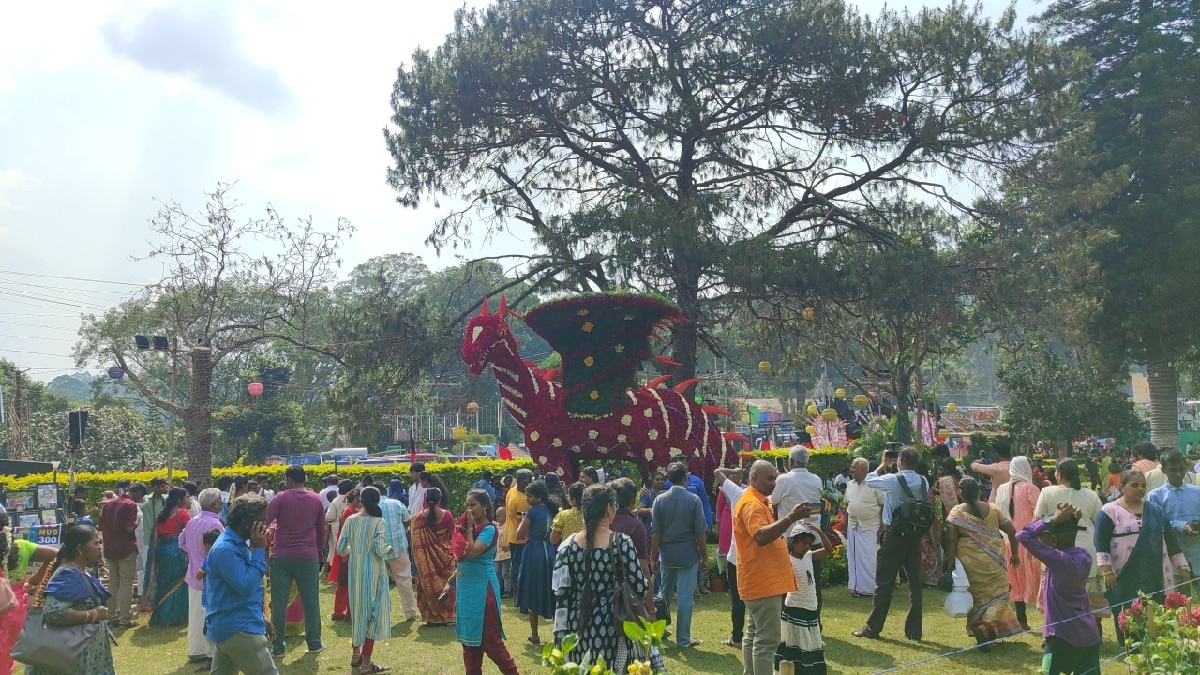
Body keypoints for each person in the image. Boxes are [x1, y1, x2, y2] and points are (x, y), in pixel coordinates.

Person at [553, 483, 664, 673]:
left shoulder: (566, 546)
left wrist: (559, 639)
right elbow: (640, 588)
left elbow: (561, 594)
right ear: (609, 509)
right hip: (616, 625)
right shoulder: (621, 543)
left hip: (577, 626)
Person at [1095, 469, 1191, 645]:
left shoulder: (1155, 510)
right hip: (1124, 573)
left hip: (1156, 571)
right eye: (1134, 485)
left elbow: (1170, 540)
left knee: (1158, 616)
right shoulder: (1109, 511)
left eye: (1143, 485)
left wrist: (1182, 566)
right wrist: (1107, 571)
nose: (1140, 489)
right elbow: (1100, 542)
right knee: (1130, 615)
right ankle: (1133, 651)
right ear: (1122, 487)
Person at [734, 459, 812, 675]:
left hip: (759, 581)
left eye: (775, 478)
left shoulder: (759, 501)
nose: (773, 483)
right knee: (767, 641)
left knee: (753, 634)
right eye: (769, 479)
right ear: (753, 478)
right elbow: (760, 536)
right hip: (762, 582)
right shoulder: (751, 504)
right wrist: (791, 518)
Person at [853, 446, 930, 642]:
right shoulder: (923, 481)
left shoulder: (893, 479)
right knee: (915, 583)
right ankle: (914, 631)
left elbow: (869, 481)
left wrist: (883, 463)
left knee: (884, 582)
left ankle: (873, 627)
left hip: (895, 534)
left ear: (901, 460)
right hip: (914, 535)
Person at [1017, 503, 1101, 675]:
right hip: (1088, 636)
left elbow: (1023, 535)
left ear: (1053, 540)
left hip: (1060, 637)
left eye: (1043, 537)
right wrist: (1071, 520)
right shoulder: (1084, 556)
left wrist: (1052, 519)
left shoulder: (1058, 560)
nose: (1040, 541)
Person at [23, 524, 115, 675]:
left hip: (83, 653)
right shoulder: (68, 575)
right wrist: (92, 614)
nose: (99, 547)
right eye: (96, 543)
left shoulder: (77, 570)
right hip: (73, 657)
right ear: (80, 548)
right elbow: (53, 612)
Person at [203, 494, 279, 675]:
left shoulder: (236, 544)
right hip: (239, 629)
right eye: (261, 521)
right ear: (246, 523)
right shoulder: (226, 549)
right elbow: (245, 586)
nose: (265, 526)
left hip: (231, 624)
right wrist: (260, 549)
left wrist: (260, 616)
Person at [944, 477, 1022, 650]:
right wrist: (1015, 554)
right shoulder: (993, 509)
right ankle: (986, 627)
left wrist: (949, 566)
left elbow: (951, 541)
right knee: (1000, 596)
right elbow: (1012, 531)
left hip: (968, 563)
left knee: (977, 598)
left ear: (960, 493)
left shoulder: (956, 512)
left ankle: (984, 629)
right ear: (979, 491)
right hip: (993, 562)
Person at [1034, 458, 1109, 626]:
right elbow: (1100, 523)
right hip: (1087, 548)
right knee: (1088, 591)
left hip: (1056, 547)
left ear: (1058, 475)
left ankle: (1053, 632)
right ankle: (1095, 630)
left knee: (1055, 589)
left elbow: (1038, 521)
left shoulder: (1047, 493)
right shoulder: (1091, 495)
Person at [264, 465, 327, 656]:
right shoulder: (316, 499)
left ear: (289, 480)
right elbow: (321, 531)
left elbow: (266, 519)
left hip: (281, 555)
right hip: (307, 555)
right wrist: (320, 555)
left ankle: (278, 646)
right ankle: (314, 642)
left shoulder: (280, 497)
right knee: (311, 601)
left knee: (279, 602)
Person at [455, 489, 519, 675]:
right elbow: (461, 558)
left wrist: (467, 527)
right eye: (467, 505)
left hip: (483, 590)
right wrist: (451, 581)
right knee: (469, 643)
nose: (469, 509)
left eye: (473, 505)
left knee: (490, 641)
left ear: (484, 506)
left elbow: (473, 552)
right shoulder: (470, 528)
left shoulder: (489, 529)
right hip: (466, 589)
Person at [650, 461, 707, 648]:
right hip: (688, 553)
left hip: (667, 554)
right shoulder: (693, 500)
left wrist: (652, 556)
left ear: (668, 478)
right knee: (685, 597)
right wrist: (705, 557)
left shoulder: (659, 500)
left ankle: (659, 631)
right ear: (685, 478)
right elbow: (700, 533)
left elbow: (656, 532)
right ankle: (683, 639)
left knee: (663, 594)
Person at [336, 487, 392, 675]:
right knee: (373, 617)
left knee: (358, 613)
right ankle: (366, 663)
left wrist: (355, 550)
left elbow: (341, 548)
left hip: (355, 571)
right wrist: (388, 549)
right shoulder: (378, 522)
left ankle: (355, 654)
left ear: (361, 500)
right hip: (374, 573)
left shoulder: (351, 520)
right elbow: (379, 550)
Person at [1, 511, 57, 674]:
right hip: (15, 610)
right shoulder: (19, 546)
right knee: (6, 656)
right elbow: (56, 555)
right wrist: (34, 581)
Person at [775, 522, 832, 675]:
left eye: (809, 543)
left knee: (810, 642)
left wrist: (819, 531)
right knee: (794, 642)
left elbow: (828, 550)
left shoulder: (809, 556)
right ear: (793, 543)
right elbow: (782, 588)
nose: (807, 546)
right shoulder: (788, 561)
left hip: (811, 605)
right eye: (803, 543)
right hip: (795, 607)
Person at [993, 456, 1042, 630]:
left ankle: (1022, 620)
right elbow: (1039, 515)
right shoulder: (1030, 489)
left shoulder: (1002, 490)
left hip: (1009, 540)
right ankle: (1047, 619)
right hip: (1029, 541)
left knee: (1015, 579)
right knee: (1037, 578)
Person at [179, 487, 224, 666]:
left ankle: (196, 650)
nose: (222, 503)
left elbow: (181, 541)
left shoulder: (193, 521)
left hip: (193, 574)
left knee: (196, 614)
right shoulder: (215, 524)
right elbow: (219, 551)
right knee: (208, 614)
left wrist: (192, 553)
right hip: (209, 576)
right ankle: (209, 652)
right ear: (215, 504)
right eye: (220, 501)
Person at [1147, 449, 1200, 588]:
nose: (1178, 474)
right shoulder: (1156, 496)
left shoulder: (1197, 492)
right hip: (1174, 557)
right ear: (1164, 470)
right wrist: (1180, 525)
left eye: (1182, 469)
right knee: (1179, 603)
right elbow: (1154, 524)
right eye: (1173, 470)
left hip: (1197, 553)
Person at [515, 479, 557, 645]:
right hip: (550, 551)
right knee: (551, 590)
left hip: (534, 551)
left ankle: (535, 634)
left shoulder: (532, 511)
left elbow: (519, 534)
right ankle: (557, 632)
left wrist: (524, 520)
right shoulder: (552, 509)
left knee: (532, 591)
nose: (527, 499)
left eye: (530, 497)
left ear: (538, 497)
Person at [98, 481, 142, 628]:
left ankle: (111, 617)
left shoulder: (108, 504)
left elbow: (101, 526)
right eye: (140, 497)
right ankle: (124, 618)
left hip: (110, 548)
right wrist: (138, 520)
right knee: (126, 583)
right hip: (126, 548)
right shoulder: (130, 505)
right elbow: (130, 528)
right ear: (137, 494)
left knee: (112, 582)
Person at [411, 487, 457, 625]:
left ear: (425, 500)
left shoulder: (417, 518)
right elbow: (453, 537)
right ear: (440, 499)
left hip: (425, 561)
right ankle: (448, 615)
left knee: (427, 583)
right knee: (447, 584)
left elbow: (415, 543)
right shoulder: (447, 515)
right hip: (445, 557)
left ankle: (430, 617)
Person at [609, 478, 653, 620]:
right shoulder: (635, 525)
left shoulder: (601, 521)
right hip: (628, 589)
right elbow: (643, 568)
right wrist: (651, 611)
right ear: (633, 500)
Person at [713, 466, 747, 648]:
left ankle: (738, 637)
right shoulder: (764, 496)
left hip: (737, 557)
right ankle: (746, 636)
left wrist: (730, 469)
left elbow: (717, 472)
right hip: (751, 557)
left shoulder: (738, 493)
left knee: (738, 598)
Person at [147, 487, 191, 626]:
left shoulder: (162, 515)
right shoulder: (183, 513)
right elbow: (189, 533)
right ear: (179, 500)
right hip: (177, 549)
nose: (187, 500)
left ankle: (161, 615)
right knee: (178, 582)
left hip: (162, 550)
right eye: (186, 498)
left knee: (165, 581)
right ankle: (175, 616)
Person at [845, 457, 885, 598]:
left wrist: (882, 526)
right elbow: (847, 506)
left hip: (870, 526)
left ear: (862, 469)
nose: (851, 470)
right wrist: (845, 527)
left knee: (870, 558)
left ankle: (870, 589)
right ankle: (855, 587)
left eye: (853, 467)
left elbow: (884, 504)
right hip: (853, 526)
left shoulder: (874, 484)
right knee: (853, 558)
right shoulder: (850, 485)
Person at [378, 485, 419, 622]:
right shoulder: (396, 503)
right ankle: (410, 612)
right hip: (398, 547)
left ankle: (384, 613)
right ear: (386, 492)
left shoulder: (371, 506)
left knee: (380, 582)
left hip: (378, 549)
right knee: (404, 580)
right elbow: (408, 520)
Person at [330, 489, 360, 621]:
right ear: (355, 500)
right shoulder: (350, 512)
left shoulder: (349, 510)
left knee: (344, 584)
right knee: (348, 584)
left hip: (345, 552)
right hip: (348, 552)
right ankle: (348, 612)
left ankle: (340, 611)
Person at [504, 470, 532, 601]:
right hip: (520, 538)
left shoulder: (512, 490)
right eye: (526, 482)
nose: (529, 484)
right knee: (519, 568)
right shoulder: (522, 500)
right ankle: (518, 596)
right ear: (520, 481)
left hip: (512, 535)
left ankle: (517, 596)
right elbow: (524, 522)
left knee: (516, 565)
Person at [325, 480, 355, 580]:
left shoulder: (336, 500)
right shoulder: (354, 499)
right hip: (352, 527)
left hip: (337, 527)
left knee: (337, 550)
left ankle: (338, 573)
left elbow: (329, 517)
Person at [494, 507, 513, 598]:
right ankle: (499, 590)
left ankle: (507, 591)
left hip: (506, 554)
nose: (498, 518)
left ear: (505, 516)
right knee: (497, 573)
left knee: (505, 573)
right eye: (496, 516)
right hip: (497, 555)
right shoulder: (497, 526)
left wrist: (509, 546)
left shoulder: (508, 526)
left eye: (500, 516)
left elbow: (513, 538)